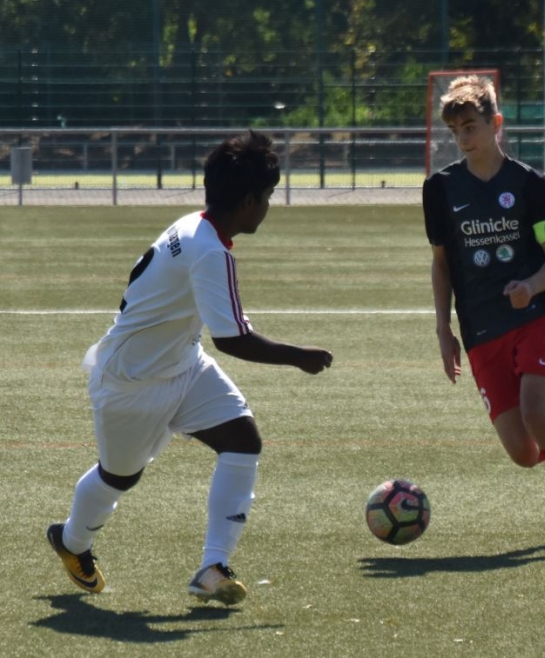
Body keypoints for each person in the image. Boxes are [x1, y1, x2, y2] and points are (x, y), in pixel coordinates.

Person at [47, 131, 334, 605]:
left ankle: (212, 567)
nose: (268, 206)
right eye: (267, 197)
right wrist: (298, 356)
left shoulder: (194, 226)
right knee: (120, 477)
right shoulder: (210, 251)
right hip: (131, 382)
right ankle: (71, 540)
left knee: (242, 439)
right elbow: (232, 339)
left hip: (182, 363)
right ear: (248, 201)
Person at [422, 75, 545, 555]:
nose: (464, 138)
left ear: (496, 123)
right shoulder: (440, 189)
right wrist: (443, 330)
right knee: (525, 453)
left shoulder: (528, 183)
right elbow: (441, 263)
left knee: (536, 415)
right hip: (480, 329)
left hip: (534, 317)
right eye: (456, 130)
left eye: (471, 126)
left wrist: (531, 286)